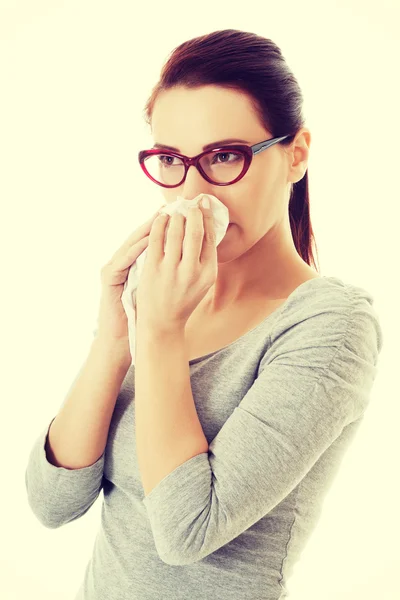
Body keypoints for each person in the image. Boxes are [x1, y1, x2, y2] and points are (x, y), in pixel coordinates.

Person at [25, 29, 383, 600]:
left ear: (296, 155)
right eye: (171, 160)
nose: (194, 194)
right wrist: (115, 340)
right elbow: (53, 503)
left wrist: (160, 331)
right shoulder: (158, 292)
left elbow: (188, 531)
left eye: (224, 156)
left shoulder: (331, 325)